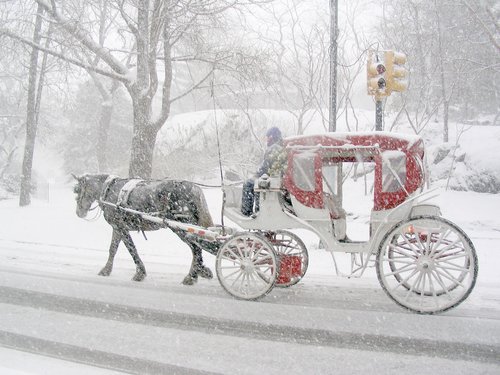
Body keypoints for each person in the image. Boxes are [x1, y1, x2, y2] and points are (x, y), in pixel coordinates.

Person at [241, 127, 284, 216]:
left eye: (267, 137)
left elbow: (265, 168)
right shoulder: (281, 147)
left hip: (271, 180)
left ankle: (248, 212)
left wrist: (255, 175)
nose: (266, 140)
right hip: (277, 179)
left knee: (248, 183)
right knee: (256, 183)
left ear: (271, 137)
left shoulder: (273, 148)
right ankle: (258, 210)